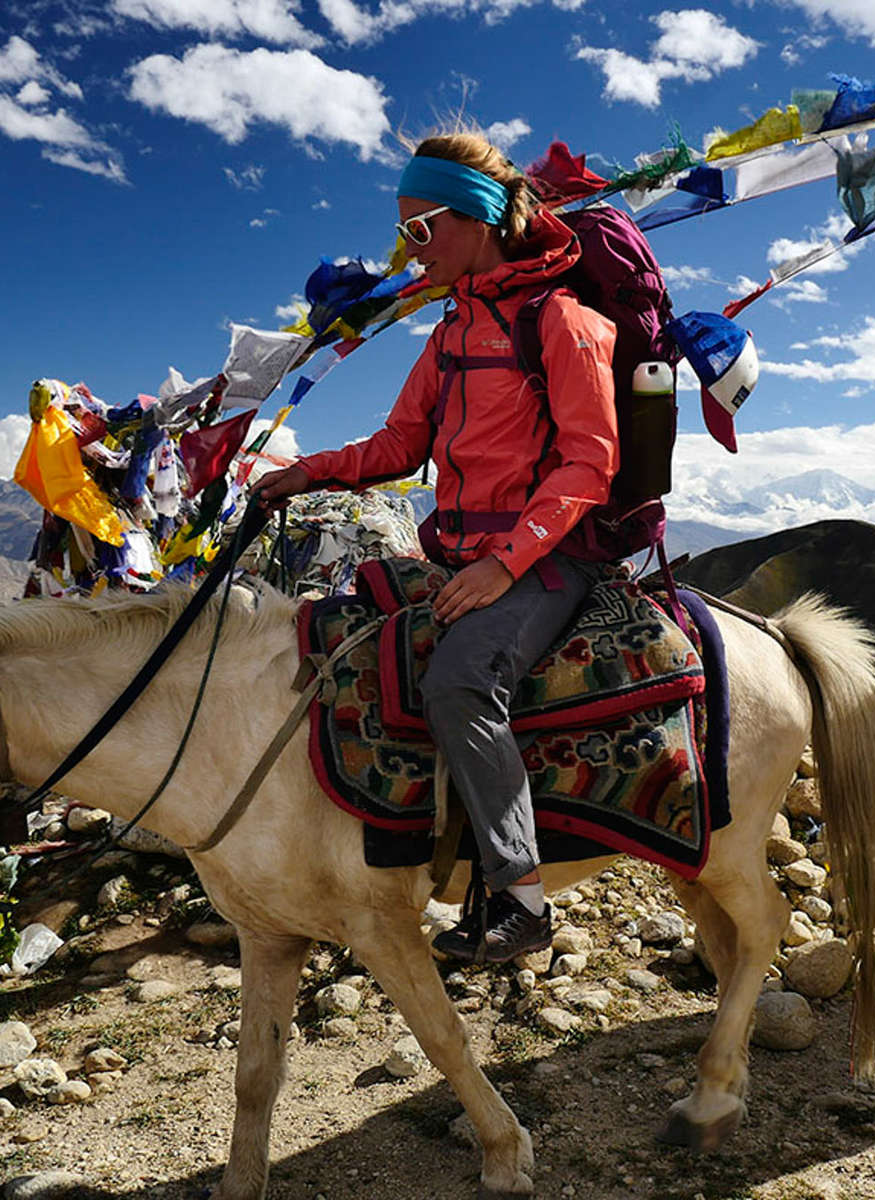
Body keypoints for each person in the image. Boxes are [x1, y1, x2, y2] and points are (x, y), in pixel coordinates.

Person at [252, 130, 620, 961]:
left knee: (458, 681)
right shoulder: (449, 336)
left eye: (421, 230)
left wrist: (502, 566)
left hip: (544, 559)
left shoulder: (563, 323)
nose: (405, 250)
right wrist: (301, 472)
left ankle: (522, 901)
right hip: (458, 554)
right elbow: (397, 447)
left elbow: (589, 464)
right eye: (401, 232)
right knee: (336, 633)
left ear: (481, 220)